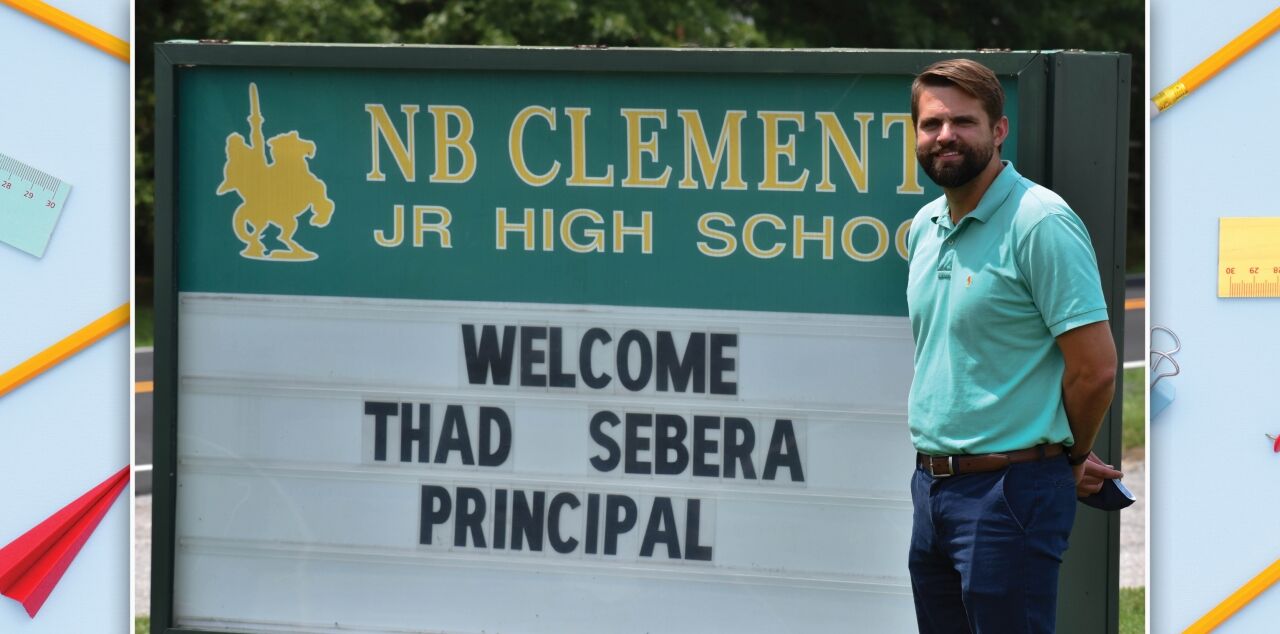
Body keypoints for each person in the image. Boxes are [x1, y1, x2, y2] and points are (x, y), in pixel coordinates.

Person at [903, 58, 1121, 633]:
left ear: (999, 130)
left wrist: (1065, 460)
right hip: (932, 489)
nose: (945, 135)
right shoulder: (924, 227)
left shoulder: (1040, 221)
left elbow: (1095, 370)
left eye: (963, 122)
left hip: (1011, 493)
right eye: (930, 124)